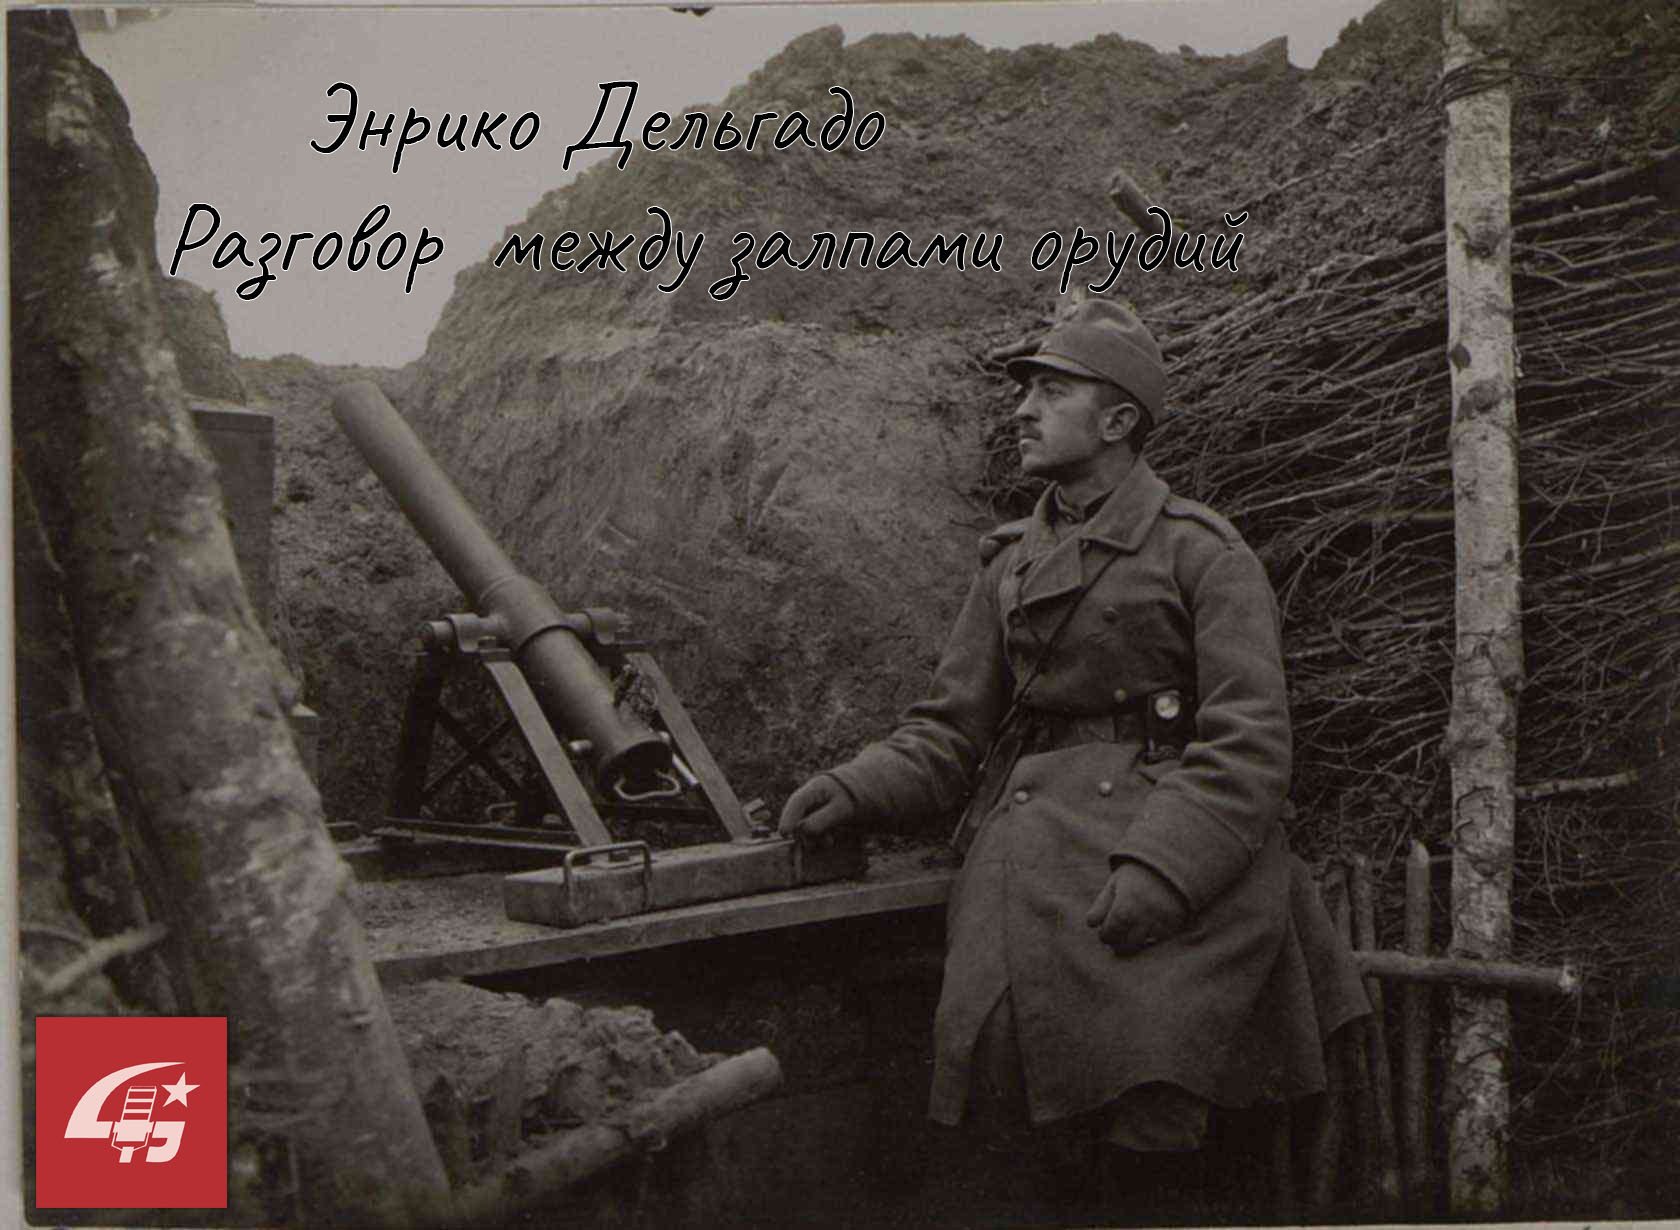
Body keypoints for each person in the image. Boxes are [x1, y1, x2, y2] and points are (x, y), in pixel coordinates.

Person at [779, 299, 1369, 1210]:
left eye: (1052, 393)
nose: (1023, 412)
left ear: (1118, 421)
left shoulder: (1204, 553)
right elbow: (949, 732)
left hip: (1171, 859)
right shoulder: (1009, 565)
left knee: (1157, 1088)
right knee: (1002, 1080)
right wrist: (856, 787)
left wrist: (1165, 870)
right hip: (1029, 856)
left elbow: (1249, 743)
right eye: (1026, 394)